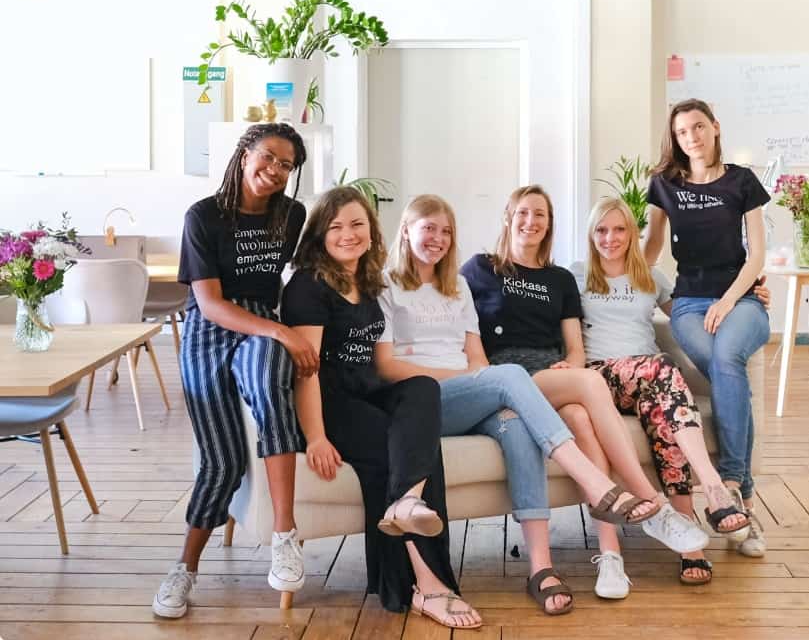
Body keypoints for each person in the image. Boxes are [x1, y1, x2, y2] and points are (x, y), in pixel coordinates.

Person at [376, 195, 666, 608]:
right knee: (510, 375)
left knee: (515, 424)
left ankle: (540, 568)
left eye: (446, 231)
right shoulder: (385, 285)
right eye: (429, 228)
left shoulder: (456, 287)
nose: (438, 238)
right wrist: (471, 378)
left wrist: (477, 379)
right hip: (422, 403)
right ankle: (598, 484)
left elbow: (478, 359)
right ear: (406, 231)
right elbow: (387, 367)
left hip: (469, 393)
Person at [461, 185, 710, 596]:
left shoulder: (560, 279)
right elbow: (448, 306)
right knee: (592, 382)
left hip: (551, 375)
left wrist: (572, 367)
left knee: (579, 415)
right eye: (523, 212)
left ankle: (609, 556)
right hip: (508, 376)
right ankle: (650, 503)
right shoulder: (480, 269)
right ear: (508, 216)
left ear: (549, 225)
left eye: (540, 215)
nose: (530, 221)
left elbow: (576, 348)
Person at [280, 187, 481, 629]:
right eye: (336, 227)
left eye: (357, 224)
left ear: (371, 231)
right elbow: (306, 372)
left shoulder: (369, 280)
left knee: (423, 389)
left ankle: (407, 503)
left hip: (367, 389)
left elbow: (380, 361)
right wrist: (316, 436)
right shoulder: (308, 286)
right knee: (402, 452)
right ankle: (428, 585)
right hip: (331, 402)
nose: (348, 234)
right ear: (320, 235)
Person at [153, 123, 315, 619]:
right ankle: (185, 567)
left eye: (286, 165)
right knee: (222, 461)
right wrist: (284, 332)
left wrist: (287, 329)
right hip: (209, 327)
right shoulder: (203, 216)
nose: (275, 170)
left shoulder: (291, 215)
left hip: (261, 324)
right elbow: (210, 303)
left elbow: (304, 270)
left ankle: (284, 536)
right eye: (268, 157)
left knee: (269, 382)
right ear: (245, 154)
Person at [576, 196, 771, 583]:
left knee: (669, 422)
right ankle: (714, 487)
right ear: (591, 235)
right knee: (663, 369)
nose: (610, 238)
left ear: (633, 233)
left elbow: (691, 314)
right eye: (601, 230)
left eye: (619, 229)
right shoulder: (576, 275)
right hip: (600, 377)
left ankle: (690, 547)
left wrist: (749, 297)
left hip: (649, 381)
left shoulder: (651, 276)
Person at [644, 98, 771, 558]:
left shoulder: (742, 181)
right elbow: (651, 248)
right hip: (688, 305)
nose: (691, 137)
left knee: (727, 356)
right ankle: (744, 502)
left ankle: (731, 482)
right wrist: (609, 281)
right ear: (675, 139)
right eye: (682, 132)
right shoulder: (664, 184)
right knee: (725, 368)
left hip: (741, 299)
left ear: (715, 127)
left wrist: (730, 299)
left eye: (698, 127)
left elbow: (757, 254)